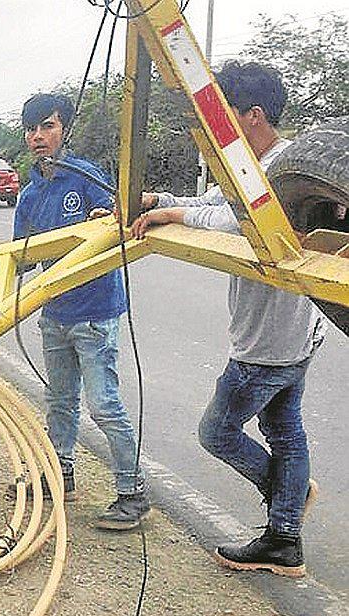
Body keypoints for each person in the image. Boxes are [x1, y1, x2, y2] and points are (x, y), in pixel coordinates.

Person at [133, 61, 324, 577]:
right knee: (285, 430)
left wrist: (174, 214)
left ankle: (286, 502)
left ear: (254, 117)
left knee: (216, 432)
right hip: (291, 335)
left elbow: (242, 221)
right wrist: (162, 201)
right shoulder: (254, 166)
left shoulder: (285, 174)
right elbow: (214, 202)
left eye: (224, 118)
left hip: (270, 340)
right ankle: (285, 534)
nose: (217, 133)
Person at [14, 92, 147, 528]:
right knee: (59, 401)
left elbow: (120, 221)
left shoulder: (86, 177)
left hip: (94, 312)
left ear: (64, 130)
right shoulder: (31, 194)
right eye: (32, 129)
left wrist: (108, 217)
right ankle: (61, 475)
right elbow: (21, 256)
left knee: (104, 405)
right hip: (54, 313)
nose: (38, 137)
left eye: (47, 127)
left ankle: (132, 493)